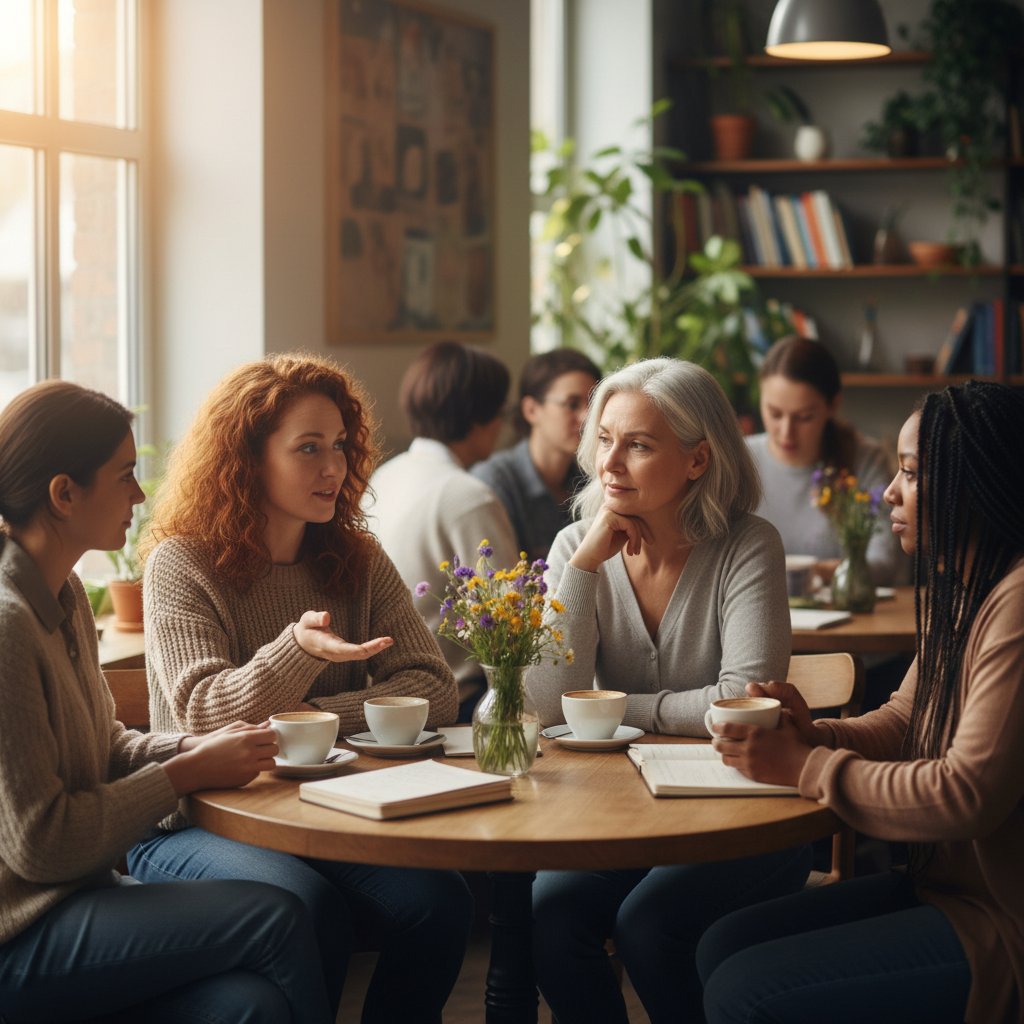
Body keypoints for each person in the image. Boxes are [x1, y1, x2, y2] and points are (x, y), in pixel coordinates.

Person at [127, 353, 473, 1023]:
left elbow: (434, 686)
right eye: (308, 447)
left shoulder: (356, 558)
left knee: (440, 903)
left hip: (325, 807)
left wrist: (316, 712)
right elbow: (203, 711)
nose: (334, 467)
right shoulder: (182, 562)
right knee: (308, 907)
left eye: (340, 445)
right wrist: (296, 650)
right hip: (195, 819)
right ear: (247, 460)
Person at [0, 380, 332, 1023]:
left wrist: (189, 747)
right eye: (124, 475)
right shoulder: (9, 626)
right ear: (64, 494)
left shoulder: (64, 595)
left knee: (252, 1006)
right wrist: (184, 774)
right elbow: (41, 844)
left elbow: (106, 745)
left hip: (80, 897)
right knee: (278, 913)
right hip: (21, 932)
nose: (139, 494)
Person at [697, 381, 1024, 1024]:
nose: (889, 493)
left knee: (745, 990)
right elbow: (905, 720)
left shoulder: (1015, 605)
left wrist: (805, 766)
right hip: (944, 887)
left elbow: (966, 795)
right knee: (716, 945)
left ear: (976, 483)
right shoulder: (966, 589)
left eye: (911, 474)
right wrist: (813, 735)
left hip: (999, 919)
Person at [528, 358, 811, 1024]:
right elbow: (543, 706)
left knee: (651, 927)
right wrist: (583, 569)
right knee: (549, 917)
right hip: (619, 817)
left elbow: (744, 703)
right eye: (604, 439)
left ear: (697, 459)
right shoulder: (577, 545)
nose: (609, 463)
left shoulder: (749, 545)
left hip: (745, 816)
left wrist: (608, 710)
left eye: (638, 445)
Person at [366, 340, 519, 713]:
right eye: (500, 411)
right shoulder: (468, 496)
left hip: (381, 691)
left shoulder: (384, 476)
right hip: (454, 700)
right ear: (480, 416)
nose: (501, 424)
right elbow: (510, 620)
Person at [747, 335, 902, 585]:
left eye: (804, 417)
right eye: (774, 414)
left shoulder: (865, 460)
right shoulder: (739, 460)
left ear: (833, 405)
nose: (786, 432)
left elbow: (883, 562)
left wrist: (811, 574)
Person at [471, 348, 601, 560]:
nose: (588, 417)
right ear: (531, 410)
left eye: (593, 405)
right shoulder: (494, 482)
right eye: (572, 404)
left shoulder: (592, 479)